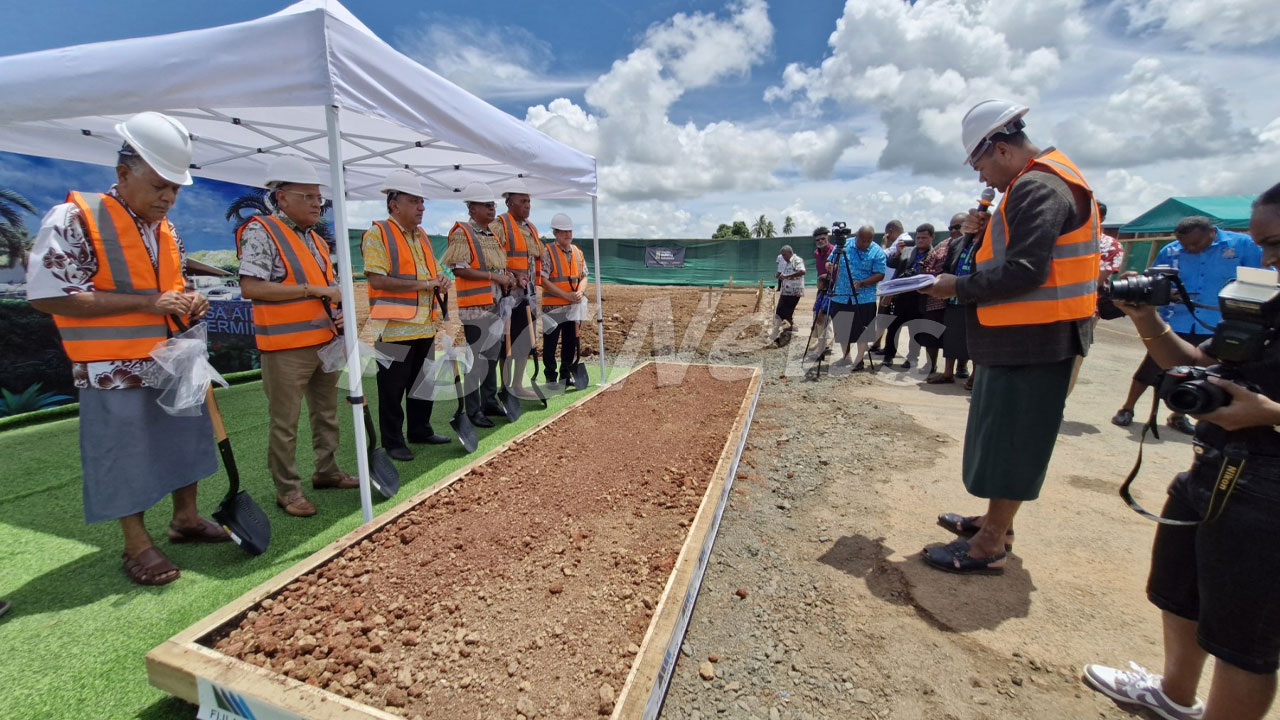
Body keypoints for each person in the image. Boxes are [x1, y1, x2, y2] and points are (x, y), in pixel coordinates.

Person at [1082, 184, 1280, 720]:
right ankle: (1174, 695)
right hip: (1214, 463)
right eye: (1263, 244)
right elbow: (1195, 362)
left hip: (1269, 491)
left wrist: (1270, 413)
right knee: (1180, 590)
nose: (1267, 259)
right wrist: (1147, 318)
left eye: (1277, 244)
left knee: (1243, 639)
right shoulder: (1265, 303)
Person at [26, 112, 230, 585]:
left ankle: (185, 519)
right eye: (160, 185)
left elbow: (171, 291)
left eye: (176, 190)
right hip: (111, 368)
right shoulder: (75, 217)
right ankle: (136, 544)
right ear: (123, 173)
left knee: (185, 439)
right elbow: (47, 294)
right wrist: (148, 302)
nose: (168, 198)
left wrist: (191, 300)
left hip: (173, 360)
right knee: (123, 452)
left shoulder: (167, 231)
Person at [920, 99, 1100, 574]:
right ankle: (994, 522)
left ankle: (989, 543)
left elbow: (1025, 270)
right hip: (1025, 336)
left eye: (979, 164)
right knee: (1004, 436)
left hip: (1037, 339)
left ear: (1000, 149)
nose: (981, 178)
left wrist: (956, 286)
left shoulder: (1038, 187)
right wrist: (979, 236)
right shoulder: (1037, 183)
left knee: (1016, 438)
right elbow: (1015, 256)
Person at [236, 155, 356, 518]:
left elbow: (329, 289)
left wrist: (336, 312)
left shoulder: (316, 240)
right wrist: (311, 291)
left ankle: (327, 471)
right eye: (308, 196)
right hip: (284, 348)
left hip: (323, 342)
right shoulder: (262, 230)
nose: (317, 203)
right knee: (285, 424)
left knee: (326, 414)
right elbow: (251, 288)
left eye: (318, 197)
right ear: (281, 196)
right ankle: (287, 491)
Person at [1110, 215, 1262, 432]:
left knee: (1201, 373)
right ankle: (1127, 408)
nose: (1190, 248)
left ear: (1211, 232)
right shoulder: (1171, 250)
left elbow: (1261, 277)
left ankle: (1179, 415)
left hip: (1215, 324)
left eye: (1196, 243)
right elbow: (1154, 281)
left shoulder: (1242, 245)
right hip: (1176, 320)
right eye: (1185, 244)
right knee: (1151, 367)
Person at [361, 169, 453, 461]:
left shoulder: (422, 236)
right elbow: (377, 280)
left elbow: (432, 272)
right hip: (392, 328)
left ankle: (420, 429)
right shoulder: (378, 233)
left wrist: (441, 279)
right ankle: (393, 441)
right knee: (391, 389)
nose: (422, 208)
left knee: (422, 382)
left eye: (422, 202)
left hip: (424, 326)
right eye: (415, 201)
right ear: (394, 204)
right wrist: (425, 284)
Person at [443, 182, 514, 428]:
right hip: (475, 307)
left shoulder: (492, 235)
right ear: (472, 208)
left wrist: (508, 279)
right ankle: (473, 410)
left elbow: (498, 267)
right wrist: (495, 278)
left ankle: (489, 401)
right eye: (486, 205)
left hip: (495, 304)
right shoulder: (463, 233)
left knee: (491, 356)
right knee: (477, 359)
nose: (491, 209)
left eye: (492, 204)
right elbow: (460, 270)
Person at [490, 179, 544, 400]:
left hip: (527, 295)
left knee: (524, 339)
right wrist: (513, 276)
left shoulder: (531, 229)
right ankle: (505, 387)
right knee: (507, 342)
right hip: (507, 296)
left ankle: (518, 384)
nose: (528, 205)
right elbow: (494, 261)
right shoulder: (499, 226)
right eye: (523, 201)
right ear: (509, 202)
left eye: (529, 201)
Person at [1068, 201, 1125, 395]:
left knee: (1072, 358)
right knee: (1071, 359)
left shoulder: (1109, 245)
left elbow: (1096, 281)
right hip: (1075, 307)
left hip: (1083, 309)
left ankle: (1055, 405)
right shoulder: (1065, 239)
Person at [827, 225, 886, 371]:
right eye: (862, 240)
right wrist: (830, 266)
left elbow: (880, 274)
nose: (864, 243)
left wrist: (863, 283)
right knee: (842, 328)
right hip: (841, 294)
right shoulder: (844, 245)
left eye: (868, 240)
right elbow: (830, 261)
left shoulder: (877, 251)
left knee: (862, 329)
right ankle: (846, 357)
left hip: (864, 297)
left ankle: (859, 361)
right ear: (856, 236)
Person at [926, 213, 976, 385]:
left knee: (973, 338)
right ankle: (947, 373)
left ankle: (974, 377)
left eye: (958, 227)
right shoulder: (955, 245)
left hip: (973, 298)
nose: (954, 231)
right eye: (951, 228)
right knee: (951, 336)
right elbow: (947, 268)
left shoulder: (983, 243)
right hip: (953, 299)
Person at [540, 213, 588, 388]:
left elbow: (584, 276)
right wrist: (566, 295)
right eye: (563, 231)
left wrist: (580, 291)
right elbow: (543, 279)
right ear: (556, 233)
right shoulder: (547, 252)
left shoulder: (577, 252)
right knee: (550, 344)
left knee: (570, 342)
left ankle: (566, 375)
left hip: (572, 308)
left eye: (569, 231)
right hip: (552, 308)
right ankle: (551, 377)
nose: (567, 234)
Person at [881, 225, 935, 369]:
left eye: (924, 238)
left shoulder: (935, 254)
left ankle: (912, 359)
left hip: (919, 299)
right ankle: (888, 356)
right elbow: (891, 264)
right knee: (893, 328)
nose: (920, 240)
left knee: (915, 330)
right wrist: (897, 254)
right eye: (918, 237)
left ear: (932, 238)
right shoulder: (907, 251)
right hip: (901, 297)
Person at [808, 226, 835, 359]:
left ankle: (825, 344)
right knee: (817, 313)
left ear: (828, 238)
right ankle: (821, 341)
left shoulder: (834, 252)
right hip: (822, 287)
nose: (820, 241)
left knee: (825, 314)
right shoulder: (816, 254)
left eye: (823, 238)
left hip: (834, 287)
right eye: (817, 239)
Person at [771, 244, 806, 343]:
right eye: (782, 255)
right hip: (785, 291)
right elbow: (781, 273)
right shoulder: (785, 262)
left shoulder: (797, 260)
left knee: (786, 313)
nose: (783, 257)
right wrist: (779, 276)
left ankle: (783, 334)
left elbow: (802, 271)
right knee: (780, 311)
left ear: (790, 253)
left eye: (785, 255)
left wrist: (787, 276)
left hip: (794, 291)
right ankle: (784, 330)